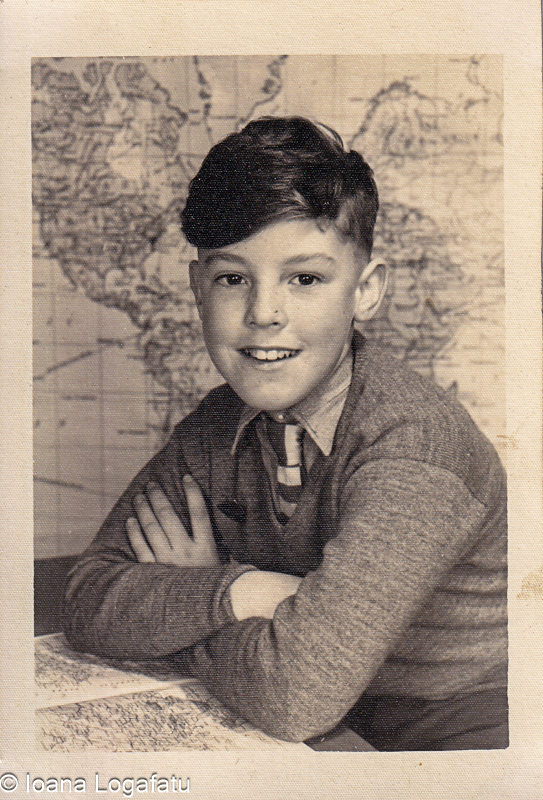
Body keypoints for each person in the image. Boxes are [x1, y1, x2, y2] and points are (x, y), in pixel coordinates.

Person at [63, 116, 508, 751]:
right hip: (312, 738)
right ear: (198, 288)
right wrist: (246, 590)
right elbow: (85, 600)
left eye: (305, 278)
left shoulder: (415, 444)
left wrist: (199, 590)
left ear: (366, 291)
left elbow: (296, 695)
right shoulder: (217, 425)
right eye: (232, 278)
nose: (262, 314)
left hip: (446, 745)